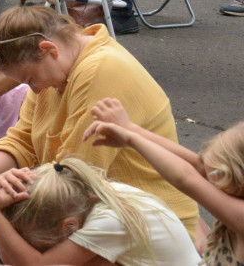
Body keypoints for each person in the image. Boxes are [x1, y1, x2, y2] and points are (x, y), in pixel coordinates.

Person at [0, 0, 199, 238]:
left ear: (48, 49)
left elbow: (74, 178)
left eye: (29, 79)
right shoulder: (57, 69)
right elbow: (22, 140)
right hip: (97, 213)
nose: (33, 89)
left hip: (145, 225)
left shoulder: (100, 70)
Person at [87, 100, 244, 266]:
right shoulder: (233, 197)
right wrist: (130, 129)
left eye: (214, 176)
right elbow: (197, 167)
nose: (206, 180)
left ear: (237, 179)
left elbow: (186, 178)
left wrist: (131, 138)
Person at [0, 157, 200, 265]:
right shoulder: (86, 195)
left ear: (69, 226)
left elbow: (37, 264)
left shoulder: (109, 221)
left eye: (39, 247)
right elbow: (12, 260)